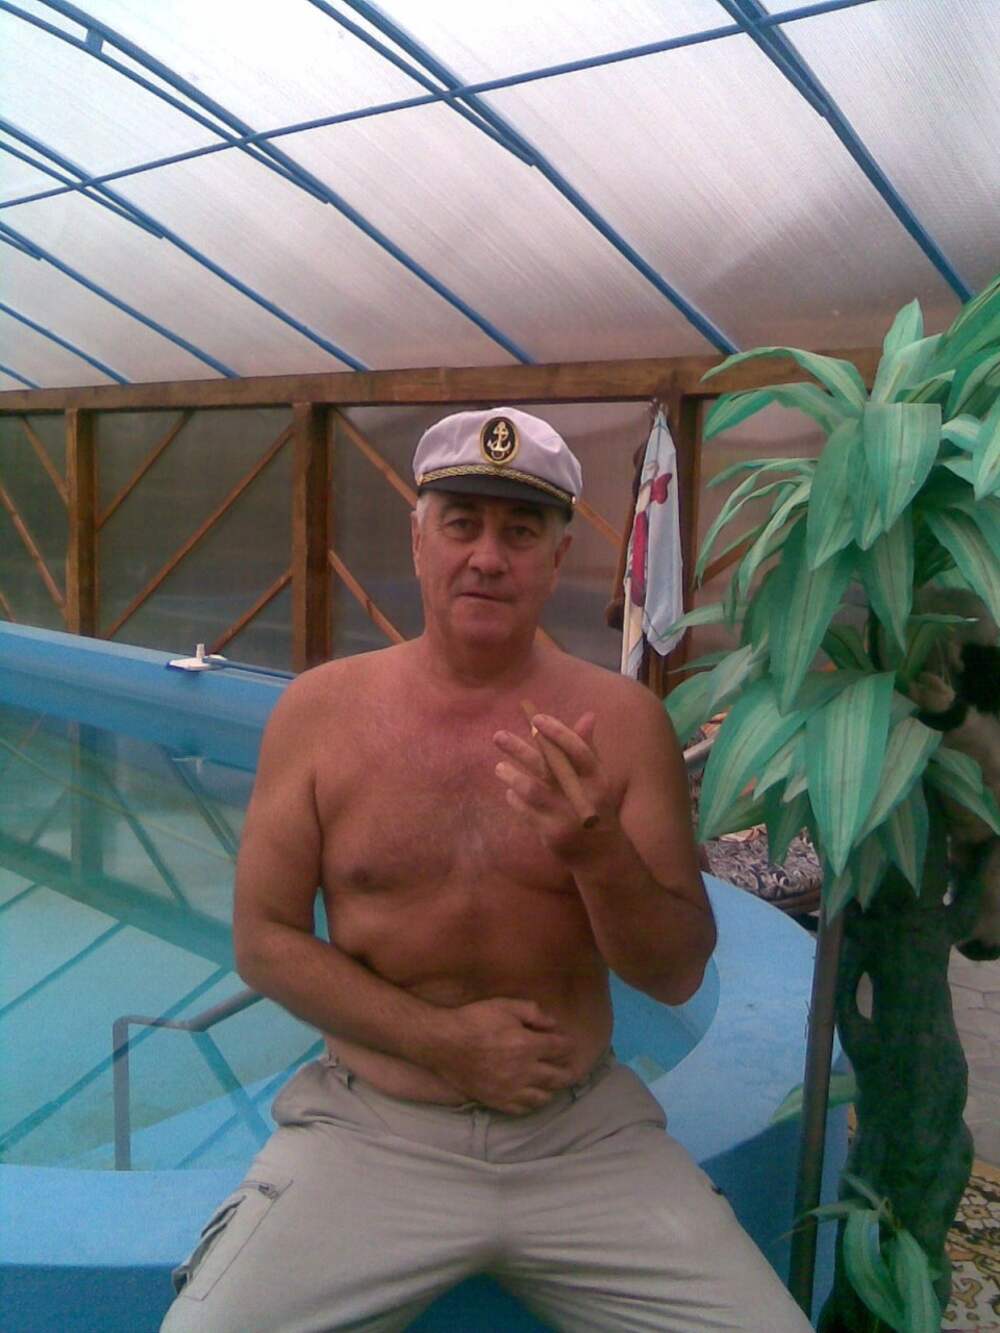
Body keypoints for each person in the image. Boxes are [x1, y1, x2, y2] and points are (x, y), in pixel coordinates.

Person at [162, 408, 811, 1333]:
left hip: (581, 1137)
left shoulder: (624, 724)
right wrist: (442, 1041)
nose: (488, 557)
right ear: (418, 539)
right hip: (371, 1130)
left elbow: (675, 972)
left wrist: (597, 850)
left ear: (558, 555)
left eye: (521, 531)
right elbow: (263, 940)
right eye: (461, 523)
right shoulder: (319, 713)